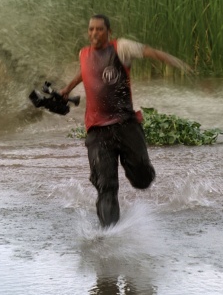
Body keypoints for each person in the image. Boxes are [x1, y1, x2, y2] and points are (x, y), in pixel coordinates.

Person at [60, 14, 192, 227]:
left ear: (109, 32)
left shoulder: (121, 48)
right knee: (106, 186)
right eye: (91, 29)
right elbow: (86, 71)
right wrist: (67, 88)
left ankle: (140, 173)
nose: (94, 33)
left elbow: (150, 52)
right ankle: (110, 233)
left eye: (99, 29)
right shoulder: (83, 54)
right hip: (97, 131)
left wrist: (177, 63)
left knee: (142, 180)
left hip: (126, 125)